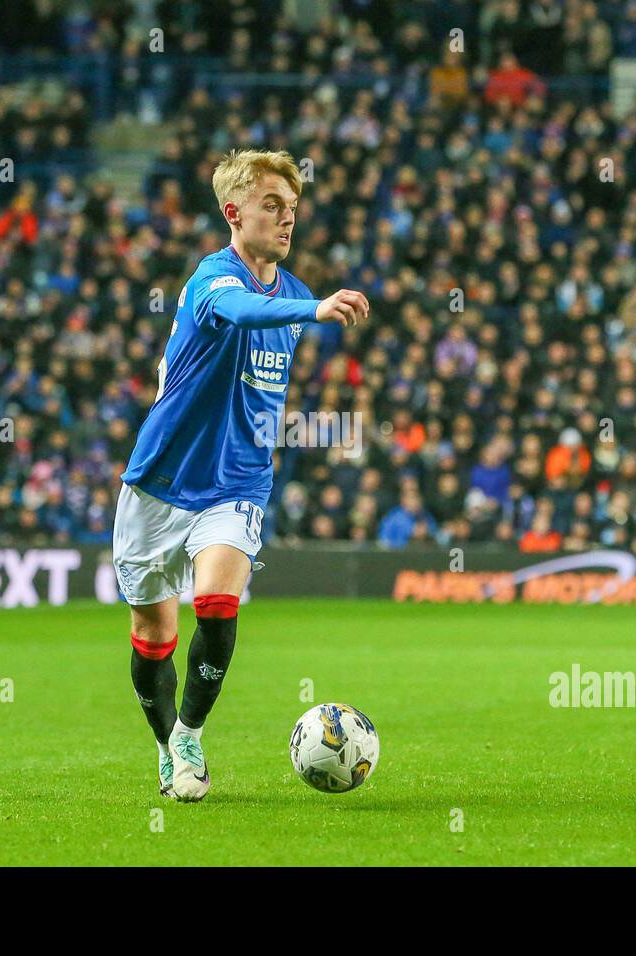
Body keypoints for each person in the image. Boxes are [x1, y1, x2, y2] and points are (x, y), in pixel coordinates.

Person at [113, 149, 369, 802]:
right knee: (153, 636)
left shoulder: (294, 297)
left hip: (237, 483)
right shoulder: (211, 281)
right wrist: (311, 312)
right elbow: (242, 313)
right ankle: (166, 741)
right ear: (234, 212)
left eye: (292, 207)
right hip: (160, 479)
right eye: (272, 206)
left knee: (219, 605)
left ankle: (190, 734)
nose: (287, 219)